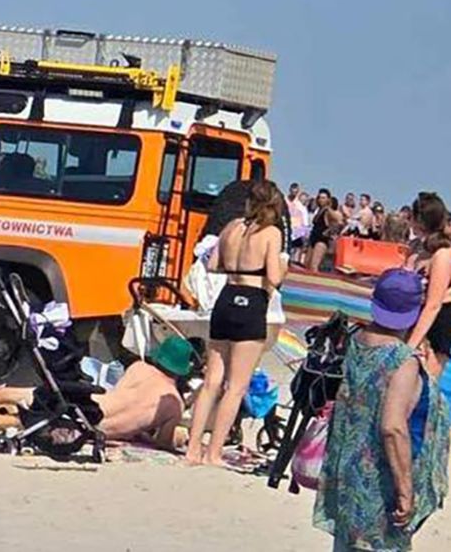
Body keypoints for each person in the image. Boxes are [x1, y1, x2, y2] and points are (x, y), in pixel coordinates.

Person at [314, 270, 449, 551]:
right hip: (379, 481)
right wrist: (405, 491)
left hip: (346, 471)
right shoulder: (401, 360)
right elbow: (393, 427)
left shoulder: (354, 339)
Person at [0, 335, 196, 450]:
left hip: (88, 401)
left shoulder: (139, 368)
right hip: (93, 425)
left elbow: (123, 395)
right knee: (21, 423)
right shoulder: (174, 405)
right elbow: (163, 441)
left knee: (16, 394)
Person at [185, 179, 288, 466]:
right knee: (236, 386)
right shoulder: (271, 233)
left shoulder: (231, 228)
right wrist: (283, 265)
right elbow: (275, 277)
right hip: (251, 301)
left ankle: (193, 449)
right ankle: (213, 452)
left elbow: (213, 264)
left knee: (211, 381)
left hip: (226, 297)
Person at [407, 194, 451, 383]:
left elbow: (434, 304)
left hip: (438, 321)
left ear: (420, 221)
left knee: (426, 383)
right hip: (416, 318)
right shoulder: (419, 252)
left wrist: (409, 346)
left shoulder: (442, 255)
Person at [310, 188, 345, 272]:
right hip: (314, 237)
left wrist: (329, 231)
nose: (321, 200)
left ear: (328, 199)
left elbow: (340, 222)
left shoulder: (327, 210)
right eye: (320, 197)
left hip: (321, 240)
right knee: (307, 265)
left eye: (323, 198)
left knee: (314, 266)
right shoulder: (319, 210)